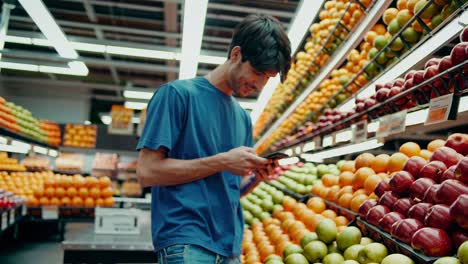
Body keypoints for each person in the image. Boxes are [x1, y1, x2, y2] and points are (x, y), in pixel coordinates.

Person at [136, 14, 291, 264]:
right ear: (236, 54)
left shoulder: (242, 118)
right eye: (257, 72)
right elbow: (147, 171)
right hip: (186, 243)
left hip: (230, 247)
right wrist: (222, 161)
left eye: (267, 78)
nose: (260, 84)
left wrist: (254, 180)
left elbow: (224, 189)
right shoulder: (177, 96)